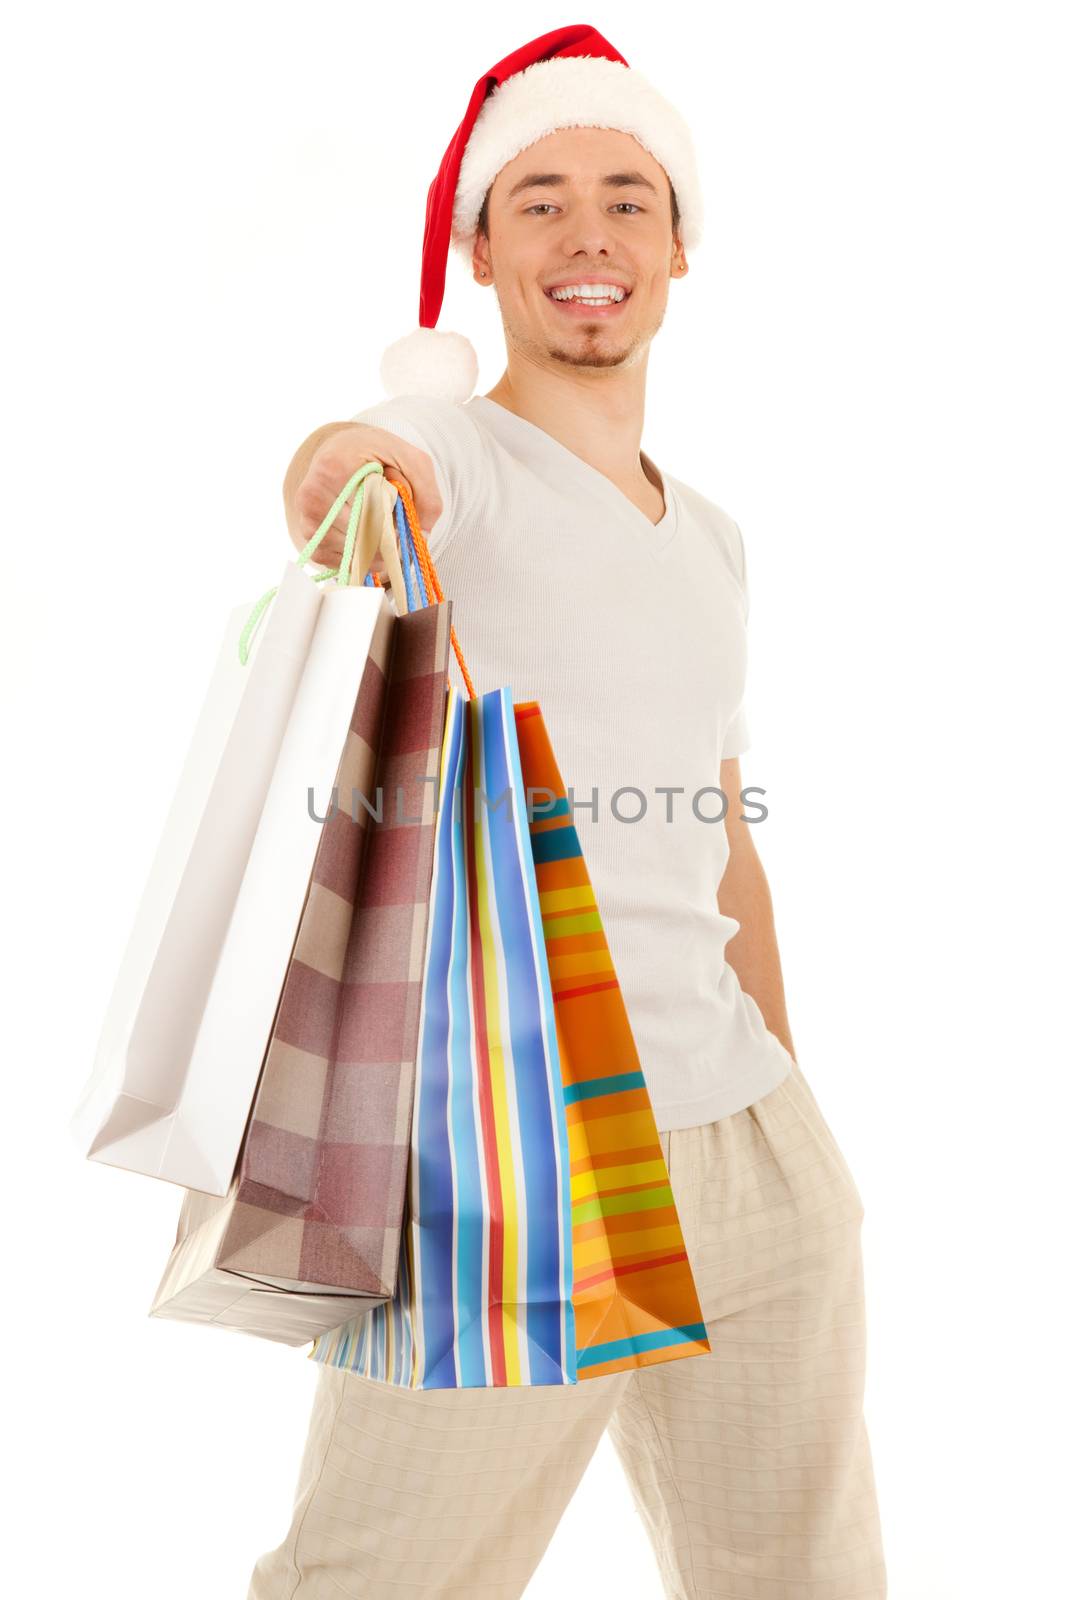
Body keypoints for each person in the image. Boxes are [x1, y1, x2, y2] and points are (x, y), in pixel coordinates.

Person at [249, 25, 887, 1600]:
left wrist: (791, 1109)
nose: (586, 233)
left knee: (797, 1574)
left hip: (742, 1136)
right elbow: (350, 465)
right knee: (379, 1576)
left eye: (625, 195)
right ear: (478, 250)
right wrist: (351, 476)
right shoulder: (457, 455)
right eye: (536, 200)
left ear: (679, 250)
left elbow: (722, 828)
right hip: (513, 1141)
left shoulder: (715, 538)